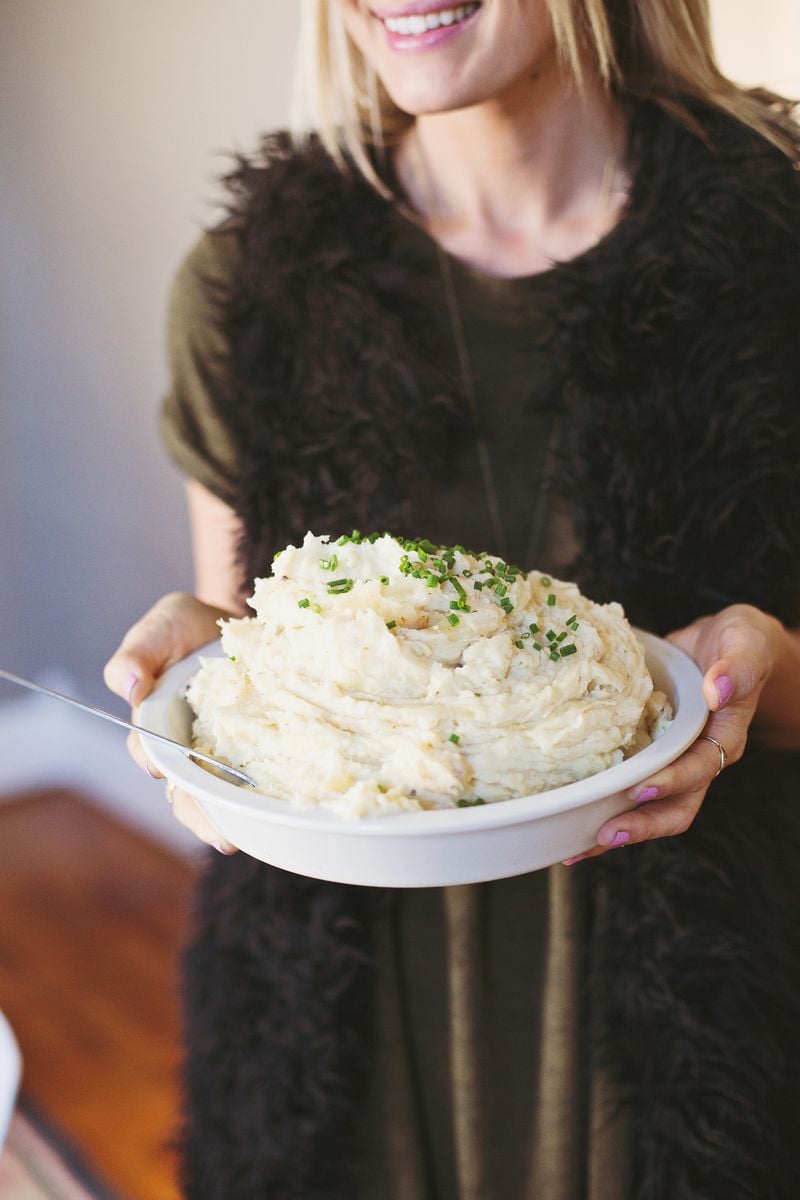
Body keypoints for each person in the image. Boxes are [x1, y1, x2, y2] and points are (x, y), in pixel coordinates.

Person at [105, 2, 800, 1196]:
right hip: (348, 1031)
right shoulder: (247, 283)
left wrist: (767, 672)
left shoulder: (774, 248)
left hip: (710, 1004)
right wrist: (204, 668)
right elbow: (244, 639)